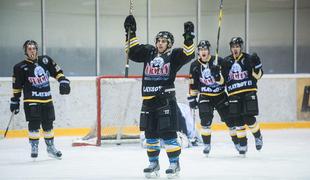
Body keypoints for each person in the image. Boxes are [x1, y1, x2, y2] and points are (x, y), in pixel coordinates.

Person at [124, 15, 195, 178]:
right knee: (150, 135)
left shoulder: (174, 56)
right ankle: (153, 163)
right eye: (159, 40)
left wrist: (189, 37)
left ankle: (174, 164)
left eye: (164, 41)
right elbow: (132, 52)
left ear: (169, 44)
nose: (160, 43)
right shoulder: (149, 52)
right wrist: (130, 32)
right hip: (148, 101)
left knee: (169, 133)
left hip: (165, 101)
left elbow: (188, 54)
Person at [10, 40, 70, 160]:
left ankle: (50, 147)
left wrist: (63, 81)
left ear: (37, 49)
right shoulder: (19, 67)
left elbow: (57, 72)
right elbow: (17, 86)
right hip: (31, 100)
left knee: (48, 125)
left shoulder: (45, 60)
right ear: (25, 51)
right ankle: (34, 146)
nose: (32, 50)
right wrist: (15, 100)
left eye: (34, 48)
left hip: (46, 99)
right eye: (29, 49)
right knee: (34, 125)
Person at [187, 40, 239, 157]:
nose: (203, 51)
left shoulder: (219, 61)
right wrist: (192, 98)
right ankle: (206, 145)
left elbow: (225, 80)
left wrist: (218, 76)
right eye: (201, 50)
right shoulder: (194, 65)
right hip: (205, 96)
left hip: (220, 95)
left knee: (230, 121)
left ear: (209, 51)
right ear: (198, 52)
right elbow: (193, 83)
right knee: (205, 121)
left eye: (205, 49)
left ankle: (237, 142)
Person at [221, 37, 263, 156]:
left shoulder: (249, 59)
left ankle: (258, 136)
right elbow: (222, 81)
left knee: (248, 118)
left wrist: (257, 67)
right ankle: (243, 144)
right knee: (238, 121)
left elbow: (258, 76)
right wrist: (216, 74)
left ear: (241, 47)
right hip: (234, 94)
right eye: (233, 47)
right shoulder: (226, 61)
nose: (235, 49)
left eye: (237, 46)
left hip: (248, 91)